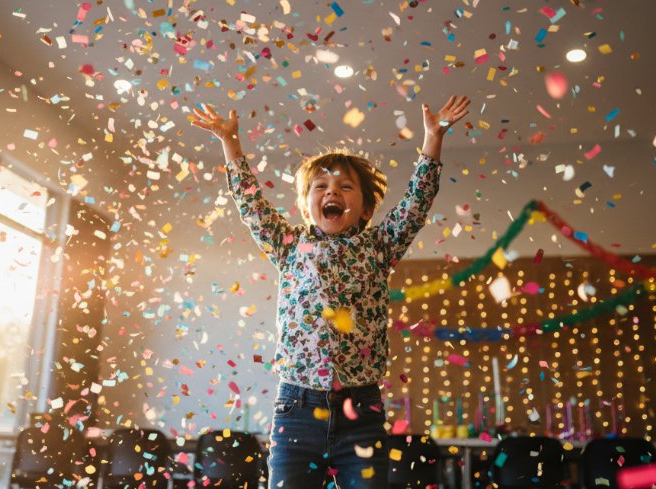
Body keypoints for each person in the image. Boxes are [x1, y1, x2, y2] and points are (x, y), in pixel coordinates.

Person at [190, 95, 470, 488]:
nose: (331, 191)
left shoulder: (379, 246)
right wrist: (229, 142)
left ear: (367, 208)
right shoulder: (289, 246)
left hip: (361, 413)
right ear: (308, 207)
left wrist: (433, 138)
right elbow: (250, 203)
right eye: (320, 186)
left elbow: (415, 204)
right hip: (297, 410)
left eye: (344, 186)